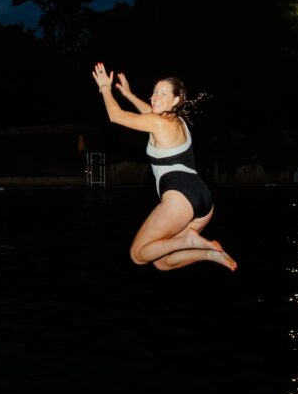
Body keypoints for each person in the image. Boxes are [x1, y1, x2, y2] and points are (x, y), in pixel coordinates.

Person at [91, 62, 237, 272]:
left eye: (163, 93)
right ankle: (210, 254)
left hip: (181, 196)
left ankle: (187, 240)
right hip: (203, 200)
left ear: (176, 99)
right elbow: (150, 112)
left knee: (138, 255)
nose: (155, 97)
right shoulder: (177, 121)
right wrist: (129, 94)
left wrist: (104, 87)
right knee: (161, 261)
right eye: (154, 92)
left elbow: (116, 116)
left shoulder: (158, 123)